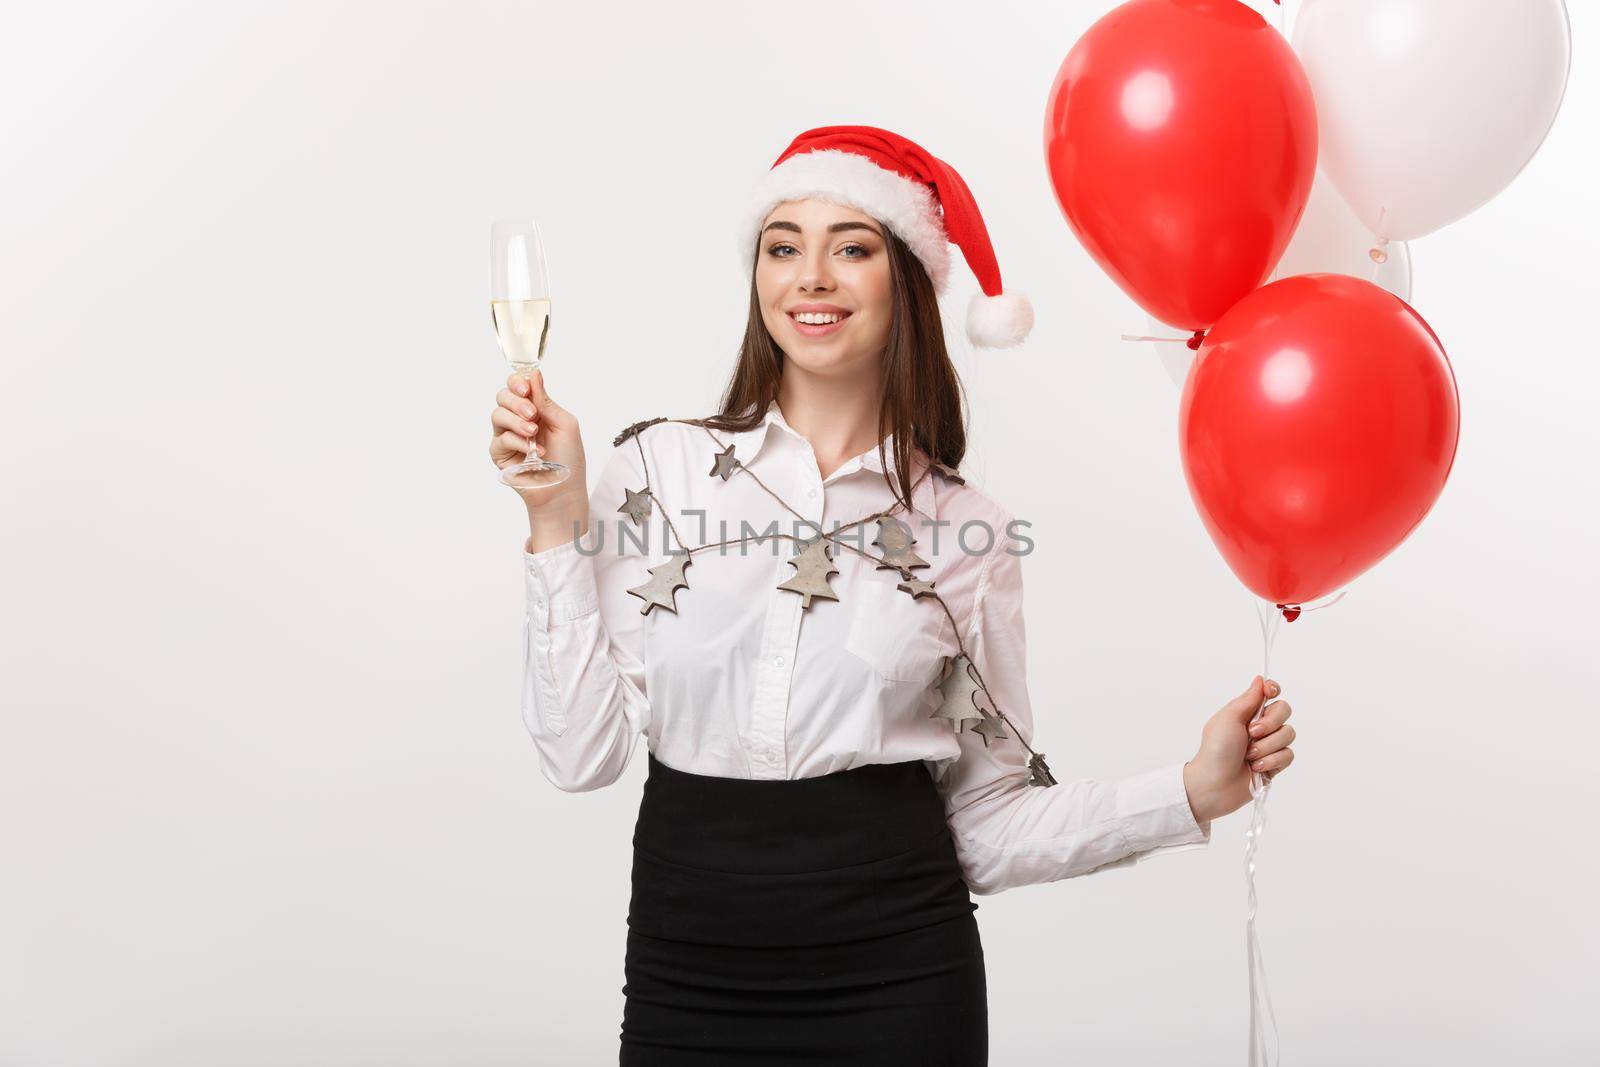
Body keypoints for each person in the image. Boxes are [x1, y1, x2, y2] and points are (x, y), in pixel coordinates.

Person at [487, 125, 1297, 1065]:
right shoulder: (653, 472)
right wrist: (552, 521)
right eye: (783, 246)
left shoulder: (969, 534)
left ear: (906, 280)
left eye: (853, 248)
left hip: (899, 983)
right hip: (687, 971)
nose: (811, 276)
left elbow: (987, 827)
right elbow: (580, 754)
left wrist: (1190, 790)